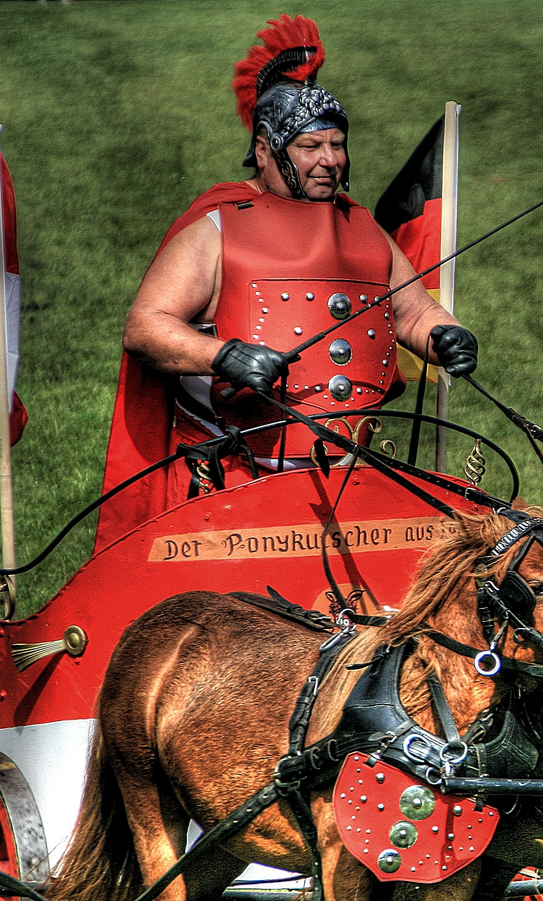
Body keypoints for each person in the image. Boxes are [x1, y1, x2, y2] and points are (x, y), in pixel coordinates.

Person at [94, 15, 475, 550]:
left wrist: (443, 334)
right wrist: (224, 355)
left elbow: (409, 312)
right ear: (267, 149)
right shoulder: (217, 225)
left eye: (337, 144)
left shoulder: (360, 227)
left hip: (348, 482)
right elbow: (146, 327)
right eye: (310, 146)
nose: (329, 161)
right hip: (230, 483)